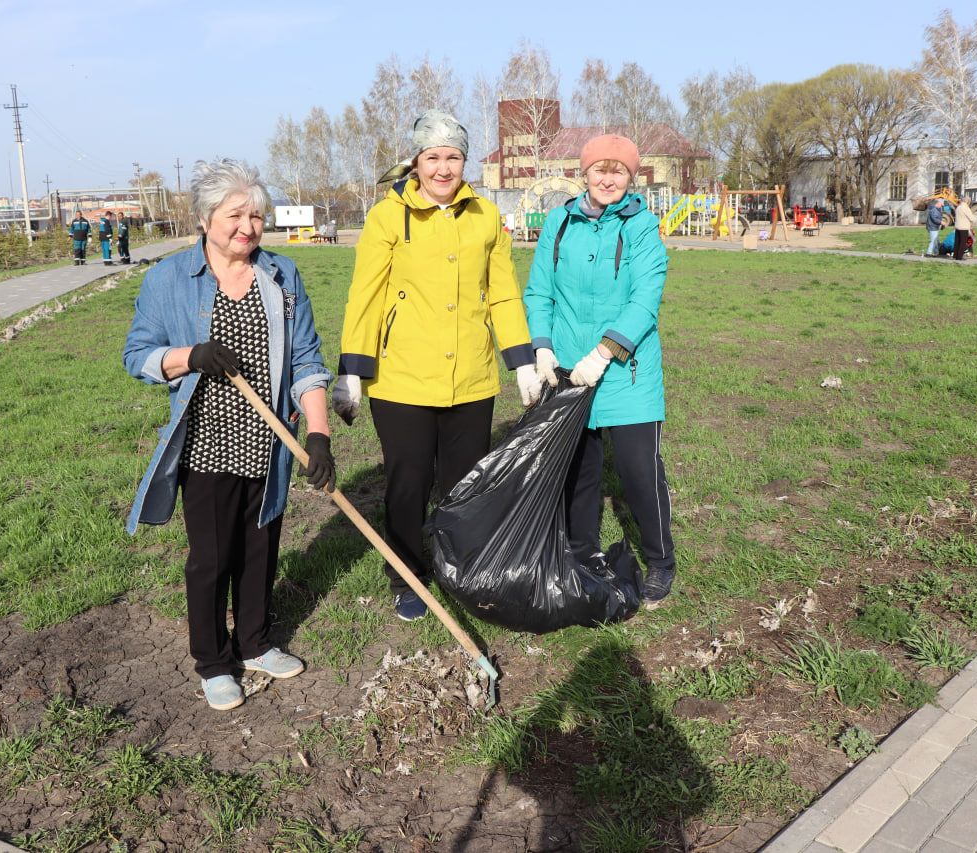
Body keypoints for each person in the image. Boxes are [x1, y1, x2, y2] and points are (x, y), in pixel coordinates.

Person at [123, 158, 334, 711]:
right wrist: (188, 356)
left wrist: (318, 435)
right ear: (204, 218)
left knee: (261, 548)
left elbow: (308, 358)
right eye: (235, 214)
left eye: (257, 216)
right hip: (206, 443)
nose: (248, 226)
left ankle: (256, 643)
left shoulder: (283, 275)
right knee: (213, 557)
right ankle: (214, 661)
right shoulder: (168, 278)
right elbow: (137, 356)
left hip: (271, 443)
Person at [331, 109, 539, 622]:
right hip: (402, 380)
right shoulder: (388, 216)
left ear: (463, 161)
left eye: (452, 157)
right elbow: (367, 296)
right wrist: (354, 368)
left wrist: (522, 360)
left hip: (470, 378)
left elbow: (504, 294)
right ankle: (407, 576)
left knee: (465, 483)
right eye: (433, 158)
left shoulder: (485, 216)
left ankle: (458, 568)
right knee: (408, 483)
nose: (443, 169)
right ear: (416, 162)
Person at [523, 134, 676, 609]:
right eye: (599, 169)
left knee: (637, 471)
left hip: (627, 373)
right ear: (583, 173)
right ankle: (581, 552)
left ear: (631, 178)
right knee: (579, 471)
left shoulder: (642, 226)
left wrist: (606, 352)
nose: (608, 178)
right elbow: (538, 292)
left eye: (619, 171)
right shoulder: (559, 222)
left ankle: (661, 561)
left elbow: (645, 298)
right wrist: (543, 350)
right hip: (568, 371)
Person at [953, 195, 973, 261]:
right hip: (964, 227)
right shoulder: (965, 208)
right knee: (962, 243)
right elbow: (971, 217)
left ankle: (955, 256)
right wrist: (976, 219)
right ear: (968, 201)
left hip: (957, 227)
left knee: (957, 242)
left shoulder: (958, 207)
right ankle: (959, 257)